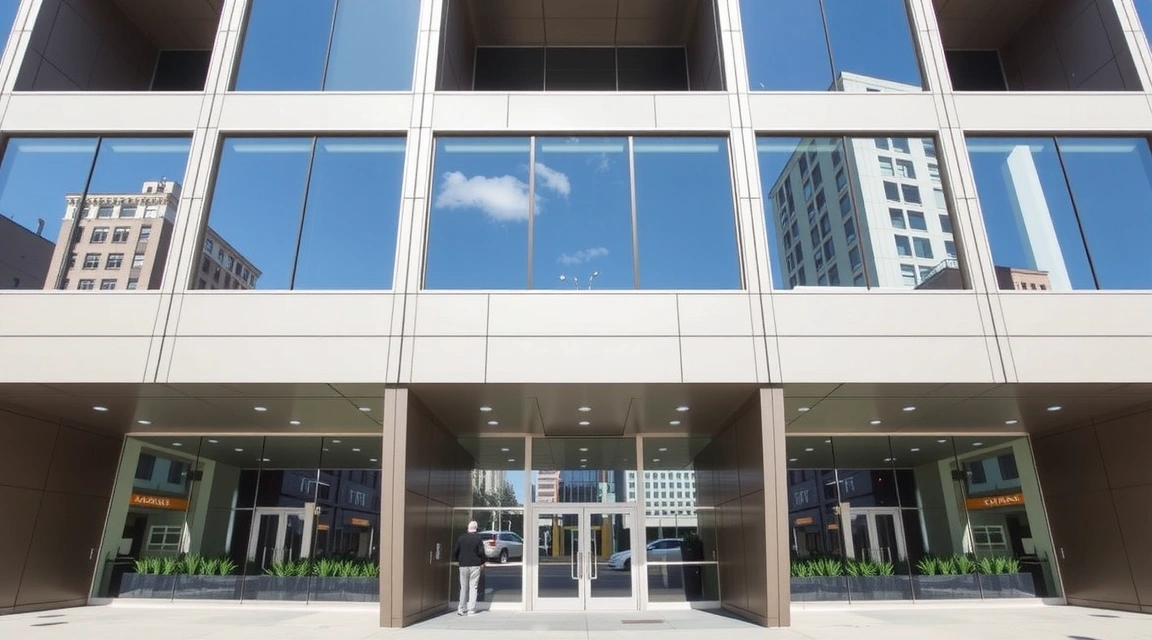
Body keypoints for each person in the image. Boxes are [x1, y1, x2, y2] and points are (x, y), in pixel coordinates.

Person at [452, 520, 486, 616]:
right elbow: (481, 552)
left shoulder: (461, 538)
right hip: (475, 565)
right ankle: (471, 609)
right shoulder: (478, 539)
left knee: (463, 588)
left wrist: (459, 559)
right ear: (476, 529)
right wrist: (483, 561)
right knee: (473, 587)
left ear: (468, 528)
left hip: (463, 565)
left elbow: (456, 551)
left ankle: (461, 608)